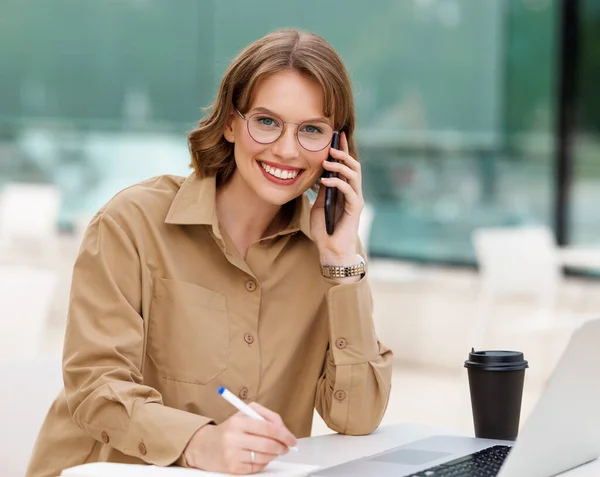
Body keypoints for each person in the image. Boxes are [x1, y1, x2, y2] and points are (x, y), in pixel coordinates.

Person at [26, 29, 393, 477]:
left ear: (337, 149)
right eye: (266, 121)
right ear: (230, 122)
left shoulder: (328, 256)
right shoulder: (132, 223)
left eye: (312, 131)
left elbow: (357, 418)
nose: (286, 149)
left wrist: (341, 263)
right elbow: (96, 389)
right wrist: (200, 442)